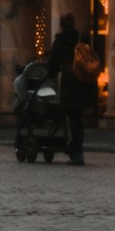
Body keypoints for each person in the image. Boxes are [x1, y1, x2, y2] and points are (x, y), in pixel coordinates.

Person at [45, 17, 101, 165]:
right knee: (77, 118)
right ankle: (75, 149)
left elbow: (53, 65)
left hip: (71, 84)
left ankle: (75, 151)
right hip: (86, 84)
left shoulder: (61, 41)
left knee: (73, 118)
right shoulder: (82, 40)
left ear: (61, 26)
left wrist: (50, 74)